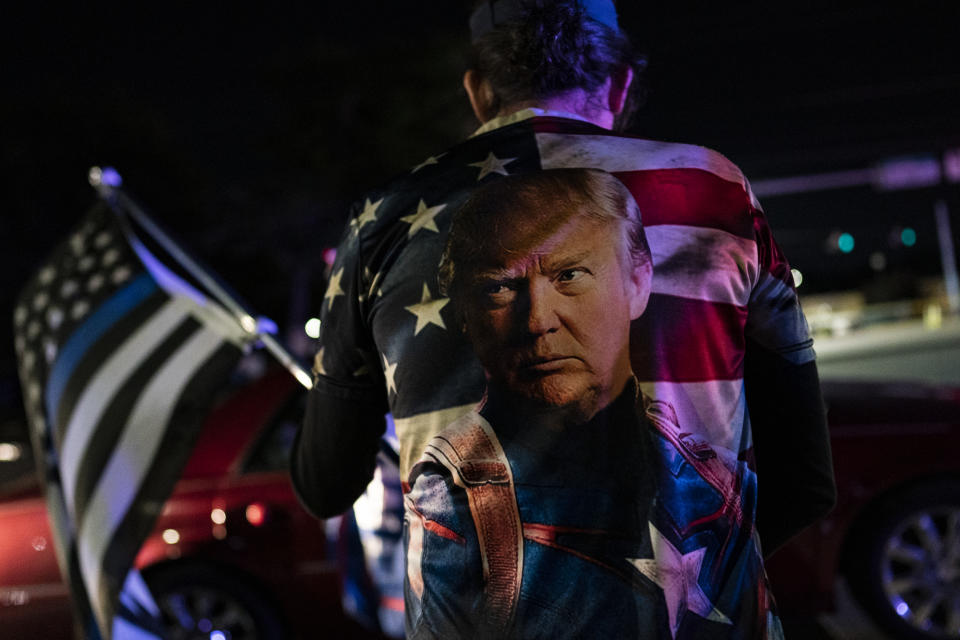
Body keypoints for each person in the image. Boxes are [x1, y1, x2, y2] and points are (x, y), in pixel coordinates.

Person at [292, 0, 832, 576]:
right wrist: (707, 588)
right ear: (621, 85)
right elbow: (805, 481)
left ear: (477, 92)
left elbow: (325, 486)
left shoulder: (381, 221)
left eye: (571, 275)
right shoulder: (712, 189)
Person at [405, 168, 780, 639]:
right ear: (464, 314)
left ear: (639, 281)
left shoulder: (714, 483)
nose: (538, 320)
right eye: (499, 287)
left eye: (569, 275)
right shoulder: (454, 496)